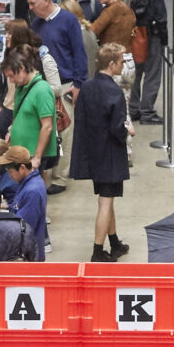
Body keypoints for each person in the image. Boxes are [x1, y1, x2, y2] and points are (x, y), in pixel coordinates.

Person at [73, 45, 132, 261]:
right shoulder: (115, 92)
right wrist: (128, 130)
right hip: (111, 156)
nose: (123, 65)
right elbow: (117, 128)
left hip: (93, 153)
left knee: (107, 198)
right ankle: (97, 251)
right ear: (112, 64)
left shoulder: (87, 87)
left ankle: (114, 243)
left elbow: (81, 119)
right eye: (121, 62)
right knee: (105, 203)